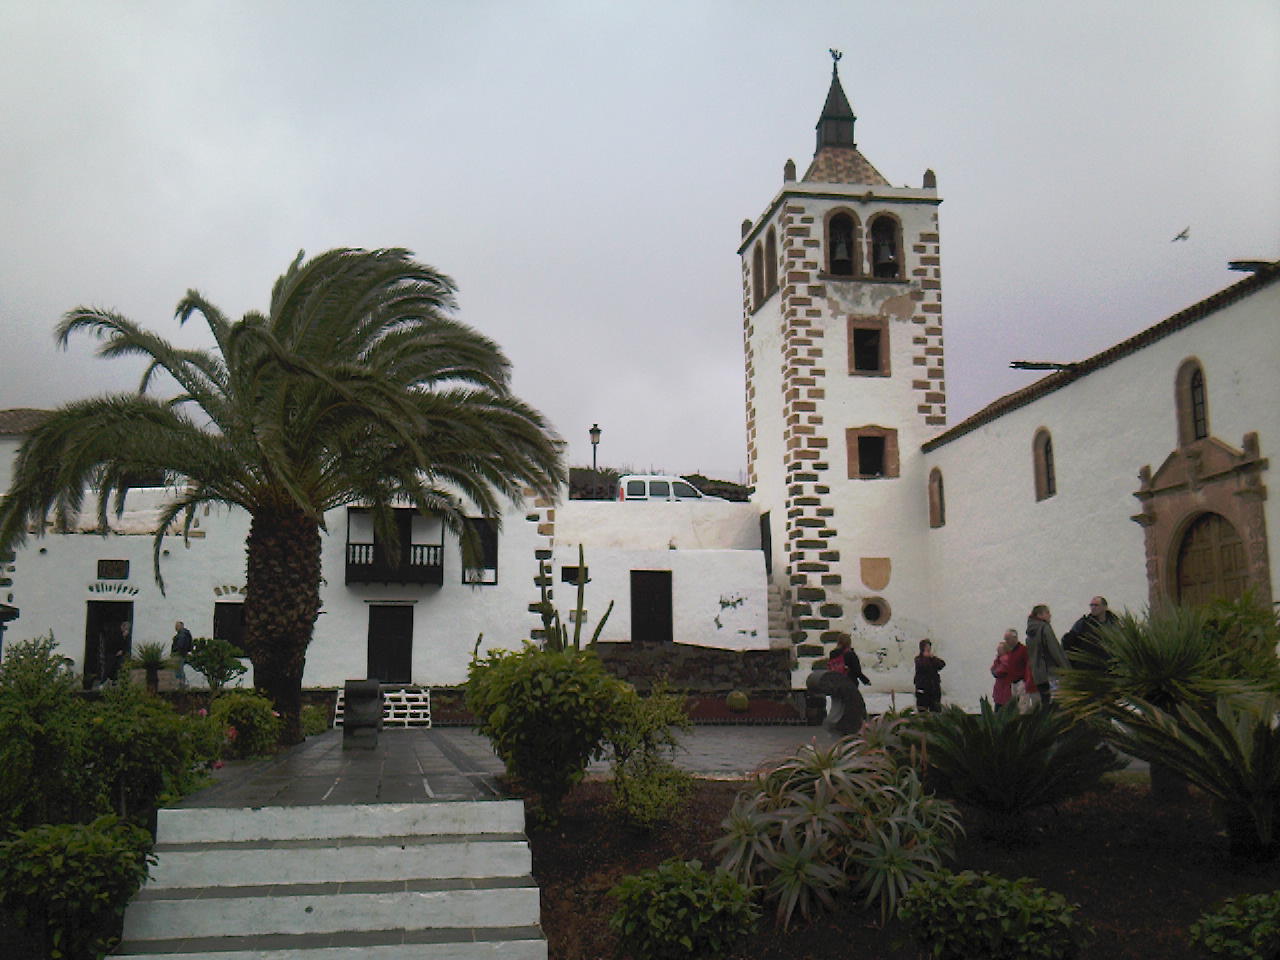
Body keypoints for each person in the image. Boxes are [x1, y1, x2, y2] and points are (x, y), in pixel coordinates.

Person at [1025, 604, 1070, 706]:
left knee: (1045, 703)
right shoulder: (1044, 628)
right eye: (1047, 613)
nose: (1050, 615)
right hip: (1050, 672)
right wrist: (1066, 669)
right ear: (1040, 615)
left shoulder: (1030, 632)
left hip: (1038, 675)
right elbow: (1055, 650)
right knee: (1057, 703)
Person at [1062, 596, 1119, 666]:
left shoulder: (1114, 624)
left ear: (1105, 607)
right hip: (1088, 665)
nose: (1093, 607)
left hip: (1111, 664)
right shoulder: (1084, 623)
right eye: (1091, 605)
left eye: (1096, 605)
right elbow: (1069, 641)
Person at [913, 639, 946, 712]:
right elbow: (925, 666)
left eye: (929, 648)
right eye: (926, 648)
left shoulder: (933, 659)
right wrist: (928, 658)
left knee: (936, 711)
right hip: (923, 690)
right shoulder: (918, 659)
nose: (929, 650)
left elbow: (942, 664)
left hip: (934, 690)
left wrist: (932, 658)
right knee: (922, 712)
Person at [990, 629, 1019, 709]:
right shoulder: (1000, 659)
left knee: (1000, 710)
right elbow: (993, 669)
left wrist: (995, 669)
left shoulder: (1005, 660)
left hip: (1004, 692)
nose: (998, 651)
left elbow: (998, 671)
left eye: (999, 650)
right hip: (1001, 691)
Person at [172, 620, 194, 689]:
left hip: (179, 654)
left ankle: (181, 684)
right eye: (175, 626)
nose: (176, 627)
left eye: (177, 626)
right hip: (183, 654)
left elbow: (180, 645)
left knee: (178, 669)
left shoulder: (182, 634)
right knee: (180, 668)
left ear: (181, 626)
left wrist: (176, 651)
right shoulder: (186, 633)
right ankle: (182, 683)